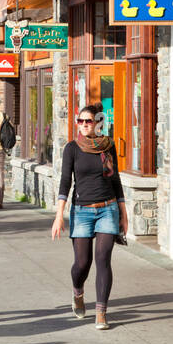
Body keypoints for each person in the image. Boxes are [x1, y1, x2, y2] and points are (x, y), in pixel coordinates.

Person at [51, 103, 127, 331]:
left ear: (97, 124)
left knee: (103, 259)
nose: (84, 125)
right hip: (82, 211)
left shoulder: (107, 146)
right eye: (80, 121)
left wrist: (124, 213)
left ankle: (101, 313)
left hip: (108, 208)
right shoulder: (72, 149)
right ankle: (78, 292)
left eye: (88, 121)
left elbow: (116, 180)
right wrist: (59, 215)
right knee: (82, 264)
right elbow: (66, 182)